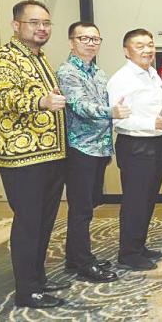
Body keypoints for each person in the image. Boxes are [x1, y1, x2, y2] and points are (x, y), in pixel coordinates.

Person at [0, 1, 69, 308]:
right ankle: (27, 291)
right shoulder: (3, 58)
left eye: (46, 23)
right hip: (23, 159)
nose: (42, 28)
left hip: (50, 155)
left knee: (45, 222)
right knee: (28, 223)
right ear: (16, 25)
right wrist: (41, 103)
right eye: (34, 23)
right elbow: (5, 97)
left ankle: (37, 279)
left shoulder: (41, 58)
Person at [56, 21, 121, 283]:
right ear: (72, 42)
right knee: (81, 208)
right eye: (84, 38)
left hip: (99, 147)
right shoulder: (67, 72)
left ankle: (76, 257)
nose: (91, 43)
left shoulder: (99, 73)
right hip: (80, 149)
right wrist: (110, 112)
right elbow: (79, 106)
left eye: (95, 39)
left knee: (89, 206)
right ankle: (82, 263)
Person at [107, 28, 162, 271]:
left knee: (148, 198)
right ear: (126, 51)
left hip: (156, 142)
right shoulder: (121, 79)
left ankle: (139, 245)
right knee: (135, 200)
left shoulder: (152, 74)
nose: (147, 50)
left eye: (150, 45)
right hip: (136, 145)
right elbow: (116, 120)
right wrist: (150, 124)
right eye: (140, 45)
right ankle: (128, 254)